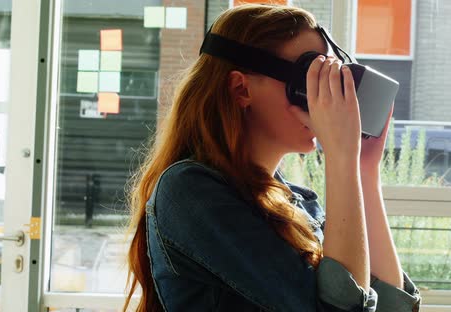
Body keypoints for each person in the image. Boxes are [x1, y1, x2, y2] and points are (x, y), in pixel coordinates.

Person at [123, 3, 421, 311]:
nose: (324, 100)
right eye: (309, 78)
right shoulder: (190, 192)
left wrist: (363, 170)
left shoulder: (301, 203)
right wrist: (341, 157)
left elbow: (389, 306)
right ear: (241, 89)